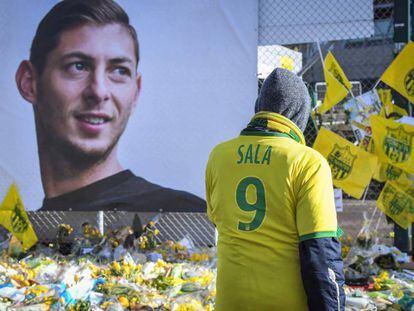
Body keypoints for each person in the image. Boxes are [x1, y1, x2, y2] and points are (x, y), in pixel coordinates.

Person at [15, 0, 205, 212]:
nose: (99, 92)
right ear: (29, 82)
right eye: (78, 66)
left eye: (119, 71)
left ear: (136, 92)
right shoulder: (16, 238)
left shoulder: (187, 219)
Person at [205, 68, 345, 310]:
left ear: (259, 107)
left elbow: (219, 223)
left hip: (231, 302)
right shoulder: (308, 162)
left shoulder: (219, 156)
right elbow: (322, 255)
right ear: (300, 114)